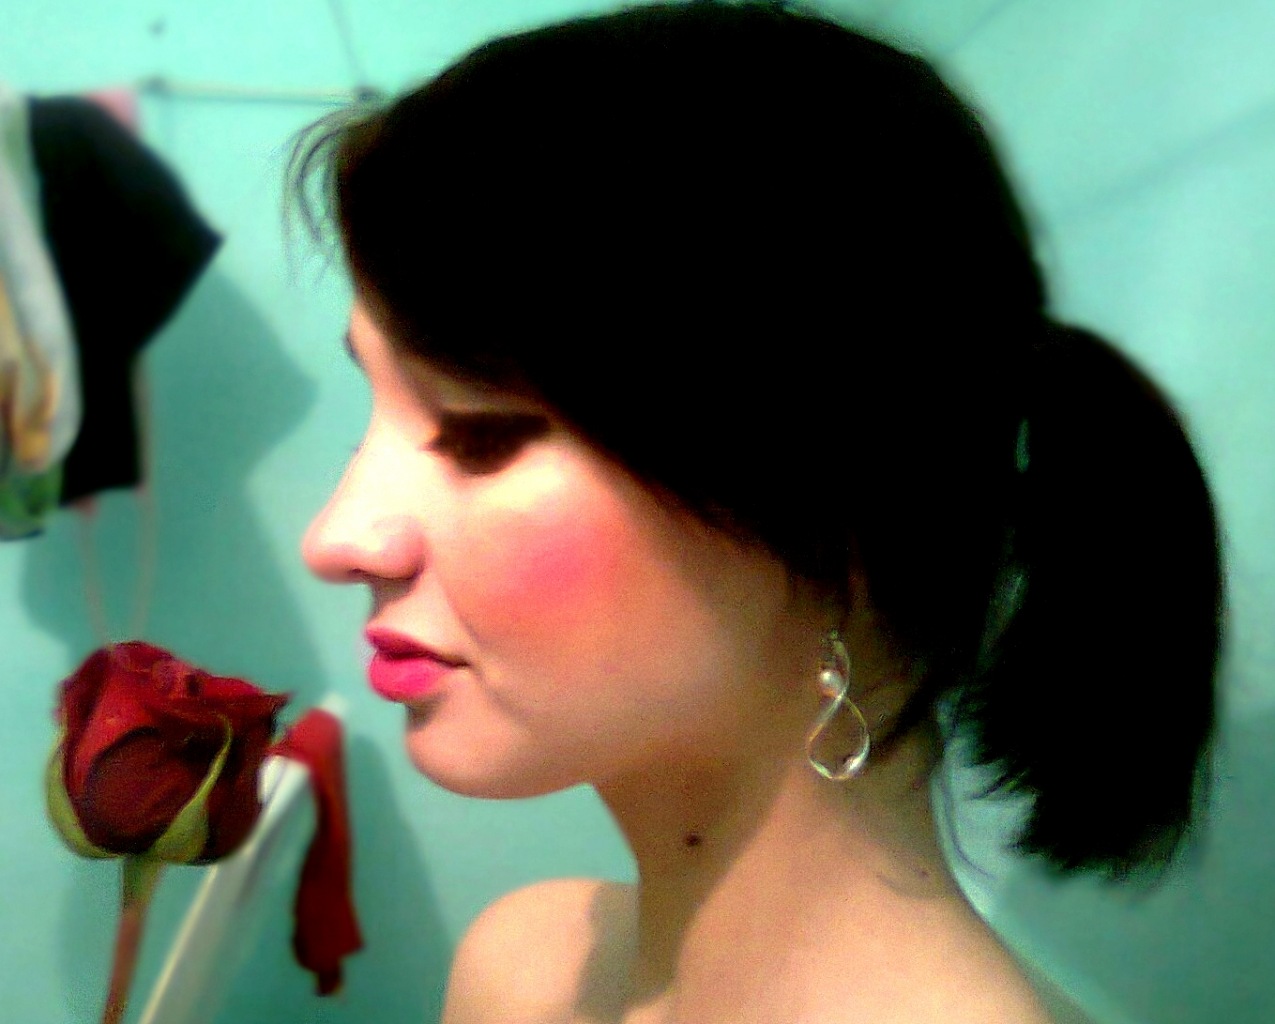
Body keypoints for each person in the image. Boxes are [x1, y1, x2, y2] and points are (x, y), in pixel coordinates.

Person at [294, 2, 1225, 1021]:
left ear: (838, 497)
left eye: (479, 433)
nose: (335, 538)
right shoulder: (521, 964)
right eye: (372, 416)